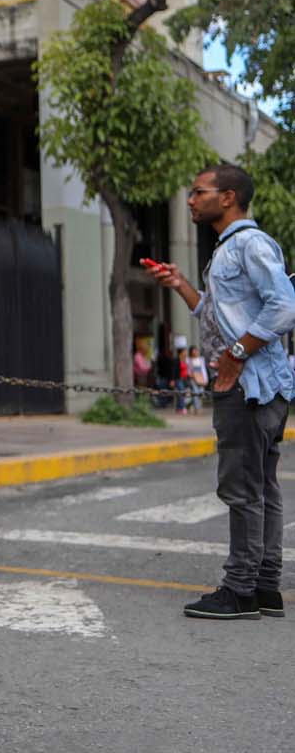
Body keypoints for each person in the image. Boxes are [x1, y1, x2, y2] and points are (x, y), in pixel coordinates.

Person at [150, 163, 295, 620]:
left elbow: (284, 306)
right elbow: (216, 315)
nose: (190, 200)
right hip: (261, 387)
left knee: (242, 490)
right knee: (261, 487)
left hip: (249, 387)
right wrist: (181, 286)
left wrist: (235, 355)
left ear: (227, 197)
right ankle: (265, 586)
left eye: (198, 192)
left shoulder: (249, 243)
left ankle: (239, 589)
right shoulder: (230, 248)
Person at [187, 345, 208, 414]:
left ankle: (190, 404)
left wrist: (205, 379)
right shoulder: (189, 360)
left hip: (200, 377)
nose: (196, 352)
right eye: (194, 350)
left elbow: (203, 369)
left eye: (196, 350)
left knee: (201, 392)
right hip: (193, 378)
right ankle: (197, 409)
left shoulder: (201, 359)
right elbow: (188, 369)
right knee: (195, 392)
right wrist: (190, 374)